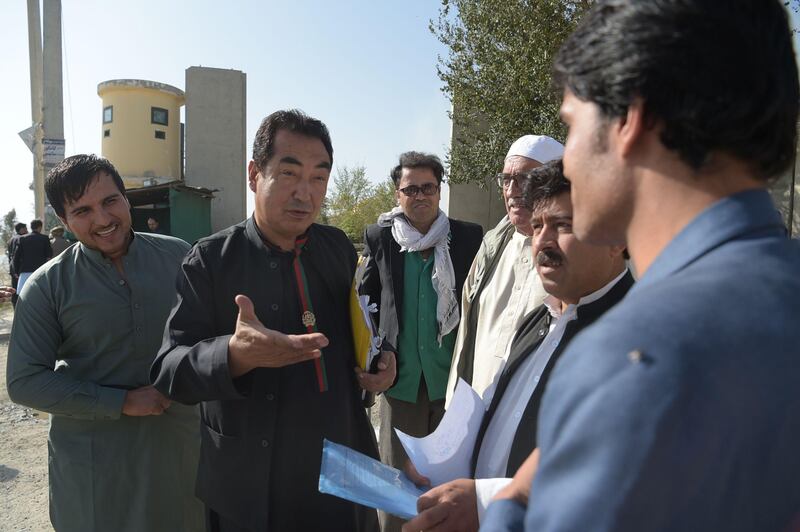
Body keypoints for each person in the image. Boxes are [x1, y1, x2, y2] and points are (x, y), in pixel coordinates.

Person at [482, 1, 800, 530]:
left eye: (573, 125)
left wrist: (513, 502)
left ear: (629, 118)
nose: (570, 162)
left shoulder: (629, 361)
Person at [150, 109, 388, 532]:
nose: (306, 193)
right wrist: (233, 355)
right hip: (251, 483)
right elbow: (169, 371)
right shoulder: (210, 259)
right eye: (289, 173)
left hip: (340, 469)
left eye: (319, 177)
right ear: (254, 174)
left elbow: (361, 327)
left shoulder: (336, 249)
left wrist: (380, 360)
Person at [402, 160, 632, 532]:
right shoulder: (539, 319)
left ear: (617, 238)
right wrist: (441, 468)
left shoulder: (634, 344)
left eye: (564, 225)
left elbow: (616, 483)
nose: (542, 241)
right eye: (539, 226)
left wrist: (483, 502)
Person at [6, 155, 203, 531]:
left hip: (178, 446)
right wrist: (123, 401)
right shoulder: (48, 286)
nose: (102, 219)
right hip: (94, 460)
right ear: (63, 221)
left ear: (126, 198)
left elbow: (207, 335)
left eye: (110, 201)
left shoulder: (178, 256)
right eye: (82, 210)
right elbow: (24, 380)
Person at [360, 151, 482, 532]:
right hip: (403, 386)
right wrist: (379, 355)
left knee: (449, 490)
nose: (420, 195)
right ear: (398, 194)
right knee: (397, 490)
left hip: (454, 389)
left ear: (439, 192)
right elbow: (366, 306)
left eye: (428, 187)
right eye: (410, 188)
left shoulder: (468, 238)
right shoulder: (380, 237)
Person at [446, 135, 563, 404]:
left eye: (525, 178)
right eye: (506, 179)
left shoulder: (579, 258)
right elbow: (466, 339)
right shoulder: (492, 246)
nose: (512, 190)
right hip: (477, 411)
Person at [12, 218, 52, 294]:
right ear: (40, 227)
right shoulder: (45, 238)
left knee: (23, 295)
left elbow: (16, 257)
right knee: (41, 295)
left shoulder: (22, 238)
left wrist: (16, 271)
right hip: (41, 271)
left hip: (25, 271)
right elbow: (49, 256)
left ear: (31, 227)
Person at [6, 222, 27, 306]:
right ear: (21, 229)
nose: (27, 230)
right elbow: (18, 255)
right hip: (19, 267)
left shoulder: (11, 239)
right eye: (25, 228)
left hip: (12, 267)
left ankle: (15, 307)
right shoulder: (21, 238)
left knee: (14, 289)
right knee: (22, 290)